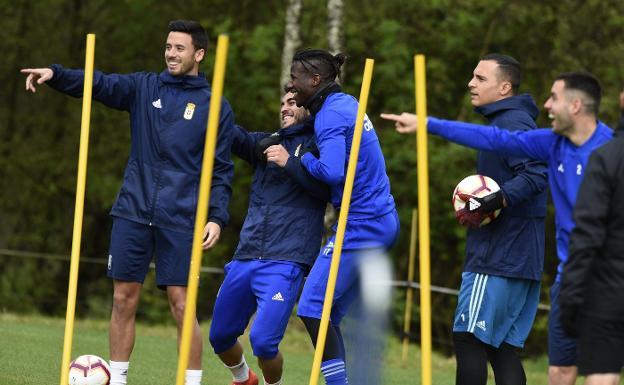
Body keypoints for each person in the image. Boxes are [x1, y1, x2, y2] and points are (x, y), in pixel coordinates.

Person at [21, 20, 235, 385]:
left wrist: (216, 216)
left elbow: (221, 169)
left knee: (182, 305)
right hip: (133, 209)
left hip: (182, 216)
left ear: (198, 54)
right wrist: (55, 75)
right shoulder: (143, 86)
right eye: (168, 46)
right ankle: (116, 379)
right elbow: (99, 83)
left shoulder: (215, 106)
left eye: (179, 48)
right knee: (123, 298)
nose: (171, 53)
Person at [381, 71, 613, 385]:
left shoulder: (613, 150)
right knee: (559, 372)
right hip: (568, 275)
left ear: (575, 106)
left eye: (553, 98)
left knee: (600, 374)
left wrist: (501, 198)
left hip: (608, 276)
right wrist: (427, 125)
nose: (545, 105)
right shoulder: (552, 143)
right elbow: (495, 139)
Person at [385, 54, 549, 385]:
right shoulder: (513, 121)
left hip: (498, 257)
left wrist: (497, 198)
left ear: (505, 87)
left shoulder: (511, 124)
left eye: (480, 78)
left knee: (469, 338)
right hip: (520, 258)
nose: (470, 83)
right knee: (500, 349)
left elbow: (536, 173)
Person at [270, 48, 400, 385]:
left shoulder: (330, 115)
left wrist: (296, 161)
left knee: (313, 307)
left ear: (315, 80)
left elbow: (330, 171)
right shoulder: (345, 104)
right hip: (379, 219)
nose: (291, 84)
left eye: (296, 78)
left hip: (362, 223)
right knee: (329, 315)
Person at [208, 91, 329, 385]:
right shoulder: (267, 142)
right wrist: (208, 102)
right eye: (282, 104)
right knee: (220, 337)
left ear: (308, 107)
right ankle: (244, 379)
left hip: (286, 261)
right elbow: (234, 135)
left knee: (263, 343)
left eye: (292, 103)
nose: (284, 108)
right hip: (246, 254)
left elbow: (328, 188)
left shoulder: (321, 144)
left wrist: (289, 163)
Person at [558, 102, 624, 385]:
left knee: (602, 372)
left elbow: (586, 235)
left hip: (609, 290)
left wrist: (570, 296)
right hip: (609, 288)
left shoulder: (607, 156)